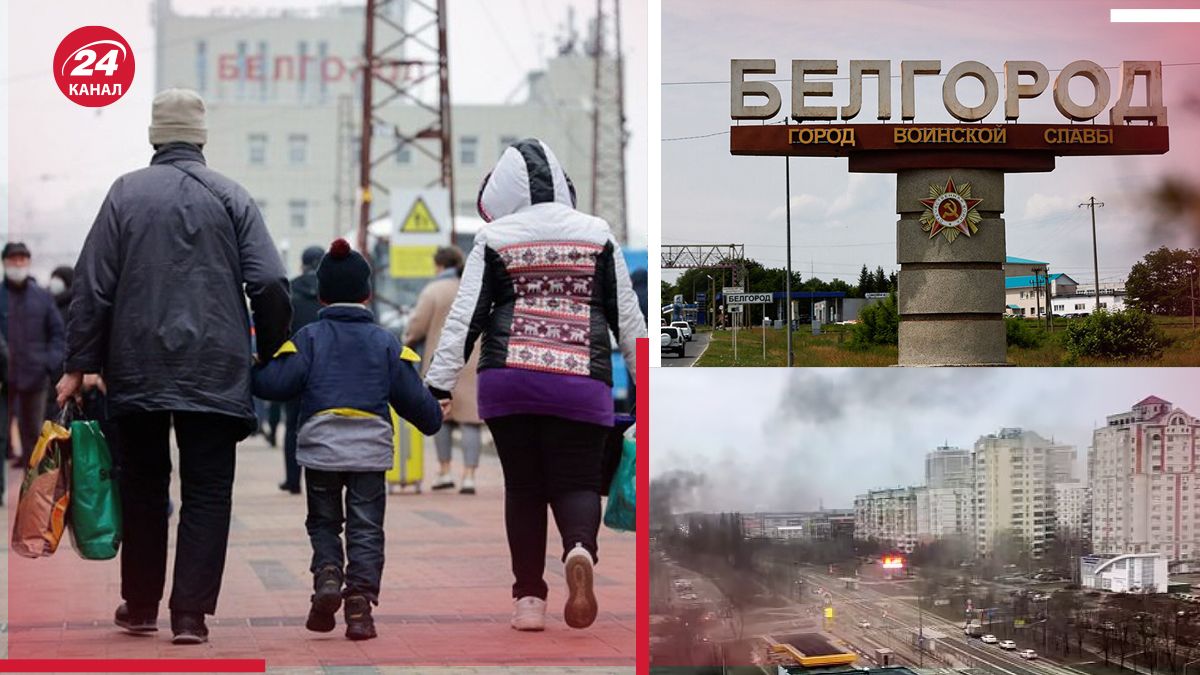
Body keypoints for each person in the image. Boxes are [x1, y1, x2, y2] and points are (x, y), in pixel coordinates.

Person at [57, 89, 291, 645]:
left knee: (142, 485)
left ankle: (140, 606)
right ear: (201, 137)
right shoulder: (231, 195)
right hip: (215, 366)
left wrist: (79, 363)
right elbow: (269, 281)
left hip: (135, 364)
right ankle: (190, 616)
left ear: (153, 136)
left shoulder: (125, 193)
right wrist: (270, 347)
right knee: (208, 489)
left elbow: (92, 285)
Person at [425, 138, 644, 631]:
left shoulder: (495, 237)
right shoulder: (597, 234)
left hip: (509, 381)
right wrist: (650, 393)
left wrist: (438, 386)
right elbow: (629, 321)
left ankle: (528, 599)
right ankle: (579, 549)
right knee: (577, 481)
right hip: (581, 380)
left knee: (523, 487)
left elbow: (465, 317)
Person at [253, 238, 442, 641]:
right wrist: (434, 414)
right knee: (366, 528)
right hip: (370, 453)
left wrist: (253, 367)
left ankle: (326, 575)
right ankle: (359, 607)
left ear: (321, 296)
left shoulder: (309, 339)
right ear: (367, 294)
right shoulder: (386, 342)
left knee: (324, 521)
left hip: (321, 450)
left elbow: (275, 385)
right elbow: (417, 405)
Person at [404, 246, 483, 495]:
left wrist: (408, 339)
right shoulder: (473, 287)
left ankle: (445, 471)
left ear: (439, 265)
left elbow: (416, 326)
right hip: (473, 360)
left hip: (441, 359)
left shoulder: (434, 290)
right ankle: (469, 476)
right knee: (471, 420)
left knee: (442, 415)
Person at [2, 242, 65, 467]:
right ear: (4, 262)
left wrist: (48, 363)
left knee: (34, 437)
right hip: (3, 380)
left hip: (35, 378)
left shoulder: (42, 297)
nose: (18, 264)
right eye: (13, 260)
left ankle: (33, 484)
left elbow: (58, 334)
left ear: (28, 262)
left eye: (22, 259)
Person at [278, 245, 324, 494]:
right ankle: (319, 480)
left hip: (295, 365)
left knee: (293, 425)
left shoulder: (290, 289)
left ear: (302, 264)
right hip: (325, 368)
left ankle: (293, 480)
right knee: (322, 423)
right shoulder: (330, 290)